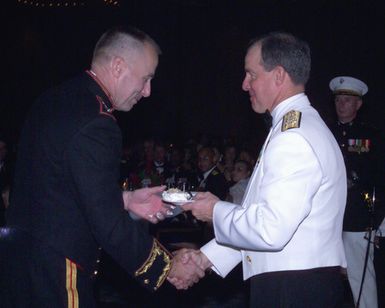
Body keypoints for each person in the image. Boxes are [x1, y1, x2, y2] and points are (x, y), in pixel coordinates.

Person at [0, 26, 203, 307]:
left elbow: (54, 189)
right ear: (118, 66)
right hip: (59, 269)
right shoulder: (98, 122)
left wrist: (125, 199)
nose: (147, 92)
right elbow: (107, 224)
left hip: (21, 263)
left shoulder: (55, 99)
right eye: (145, 79)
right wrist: (165, 266)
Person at [175, 32, 348, 307]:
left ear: (278, 75)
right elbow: (259, 216)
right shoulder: (293, 127)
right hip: (295, 284)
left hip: (293, 291)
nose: (245, 84)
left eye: (251, 74)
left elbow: (270, 229)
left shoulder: (294, 136)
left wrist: (215, 210)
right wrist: (206, 258)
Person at [329, 76, 384, 308]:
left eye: (347, 100)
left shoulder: (371, 136)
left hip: (358, 218)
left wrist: (380, 222)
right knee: (325, 279)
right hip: (326, 218)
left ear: (358, 105)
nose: (341, 104)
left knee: (361, 279)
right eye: (339, 100)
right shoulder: (324, 131)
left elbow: (380, 178)